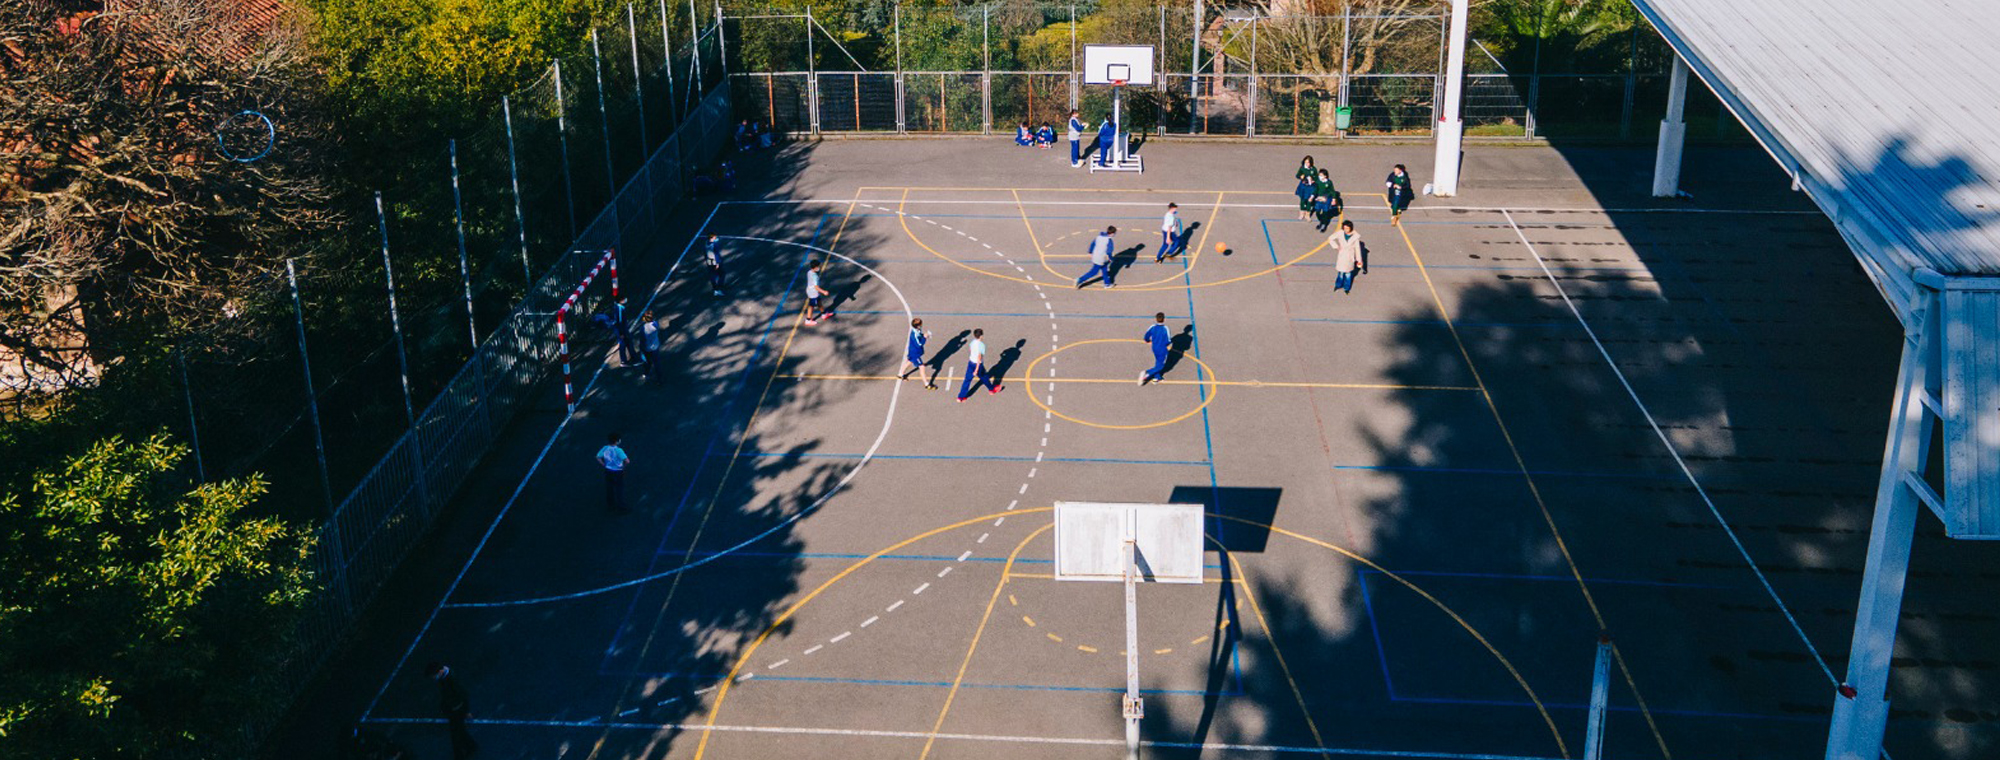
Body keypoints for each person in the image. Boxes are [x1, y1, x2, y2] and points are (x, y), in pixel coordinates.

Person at [424, 662, 478, 760]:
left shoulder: (451, 680)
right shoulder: (445, 677)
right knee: (459, 731)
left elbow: (462, 694)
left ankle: (461, 754)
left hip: (457, 710)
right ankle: (470, 747)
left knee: (456, 734)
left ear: (440, 672)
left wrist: (466, 712)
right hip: (454, 709)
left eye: (434, 676)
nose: (433, 678)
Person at [956, 328, 1003, 402]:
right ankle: (991, 389)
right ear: (981, 336)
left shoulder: (972, 342)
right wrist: (977, 369)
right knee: (984, 377)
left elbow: (971, 351)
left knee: (967, 380)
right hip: (978, 365)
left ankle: (961, 397)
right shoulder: (981, 345)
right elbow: (979, 357)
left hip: (970, 362)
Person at [898, 318, 935, 389]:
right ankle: (926, 384)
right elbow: (919, 344)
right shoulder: (913, 334)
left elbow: (920, 334)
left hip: (913, 351)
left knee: (910, 361)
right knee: (922, 366)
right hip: (915, 352)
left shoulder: (917, 330)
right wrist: (924, 338)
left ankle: (901, 374)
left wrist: (923, 334)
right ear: (918, 326)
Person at [597, 432, 629, 513]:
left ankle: (611, 506)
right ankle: (621, 507)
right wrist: (623, 467)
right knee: (619, 489)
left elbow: (598, 457)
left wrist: (604, 465)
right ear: (617, 441)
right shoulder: (618, 450)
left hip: (608, 471)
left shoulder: (605, 448)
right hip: (618, 472)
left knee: (609, 488)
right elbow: (627, 461)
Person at [1331, 220, 1364, 294]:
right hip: (1342, 255)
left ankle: (1347, 288)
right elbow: (1330, 238)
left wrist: (1359, 260)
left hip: (1349, 256)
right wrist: (1336, 246)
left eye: (1347, 228)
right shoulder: (1340, 233)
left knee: (1348, 274)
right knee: (1341, 273)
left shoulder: (1355, 237)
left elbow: (1357, 249)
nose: (1345, 230)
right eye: (1344, 228)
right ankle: (1338, 285)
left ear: (1351, 228)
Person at [1139, 312, 1172, 386]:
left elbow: (1146, 336)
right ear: (1164, 319)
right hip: (1162, 349)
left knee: (1158, 361)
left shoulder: (1152, 327)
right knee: (1161, 365)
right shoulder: (1165, 328)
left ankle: (1157, 378)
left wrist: (1148, 341)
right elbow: (1168, 340)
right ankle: (1147, 373)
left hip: (1154, 348)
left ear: (1156, 319)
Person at [1312, 168, 1340, 233]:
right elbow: (1316, 189)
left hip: (1327, 199)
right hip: (1319, 198)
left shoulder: (1329, 182)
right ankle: (1321, 221)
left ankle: (1324, 224)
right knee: (1318, 212)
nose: (1320, 176)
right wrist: (1312, 196)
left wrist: (1333, 199)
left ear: (1325, 176)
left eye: (1321, 175)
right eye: (1319, 175)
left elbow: (1332, 191)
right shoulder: (1318, 182)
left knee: (1325, 212)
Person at [804, 260, 831, 325]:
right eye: (818, 266)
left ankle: (823, 314)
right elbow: (816, 287)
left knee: (819, 301)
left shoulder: (809, 272)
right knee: (811, 306)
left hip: (810, 290)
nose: (820, 267)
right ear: (815, 267)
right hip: (813, 293)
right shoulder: (815, 276)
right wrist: (824, 292)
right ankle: (808, 320)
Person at [639, 310, 661, 379]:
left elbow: (642, 340)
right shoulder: (656, 324)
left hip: (647, 348)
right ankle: (659, 378)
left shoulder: (643, 328)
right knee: (656, 363)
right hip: (655, 346)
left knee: (647, 361)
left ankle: (647, 373)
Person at [1294, 156, 1317, 221]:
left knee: (1309, 201)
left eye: (1308, 162)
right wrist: (1301, 177)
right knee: (1303, 200)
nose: (1307, 164)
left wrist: (1313, 180)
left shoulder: (1313, 169)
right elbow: (1297, 175)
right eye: (1306, 162)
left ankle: (1307, 215)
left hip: (1311, 187)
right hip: (1303, 186)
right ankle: (1301, 214)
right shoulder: (1302, 168)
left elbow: (1316, 177)